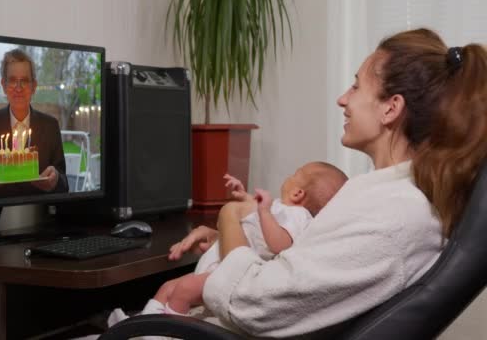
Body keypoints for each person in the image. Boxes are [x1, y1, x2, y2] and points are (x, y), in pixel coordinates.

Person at [164, 28, 487, 338]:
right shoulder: (388, 199)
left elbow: (252, 302)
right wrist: (233, 237)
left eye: (356, 87)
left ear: (391, 108)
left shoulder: (393, 215)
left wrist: (230, 216)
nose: (342, 99)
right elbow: (306, 269)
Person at [109, 162, 348, 321]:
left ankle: (163, 335)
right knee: (168, 286)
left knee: (182, 290)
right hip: (221, 263)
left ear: (298, 194)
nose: (288, 176)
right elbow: (252, 217)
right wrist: (245, 196)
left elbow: (280, 244)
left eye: (295, 175)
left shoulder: (299, 216)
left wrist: (263, 211)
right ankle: (142, 326)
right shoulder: (280, 210)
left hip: (230, 274)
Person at [0, 49, 68, 199]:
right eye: (12, 80)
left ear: (34, 86)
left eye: (24, 80)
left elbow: (64, 184)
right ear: (3, 85)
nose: (18, 88)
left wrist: (56, 179)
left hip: (40, 213)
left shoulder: (50, 126)